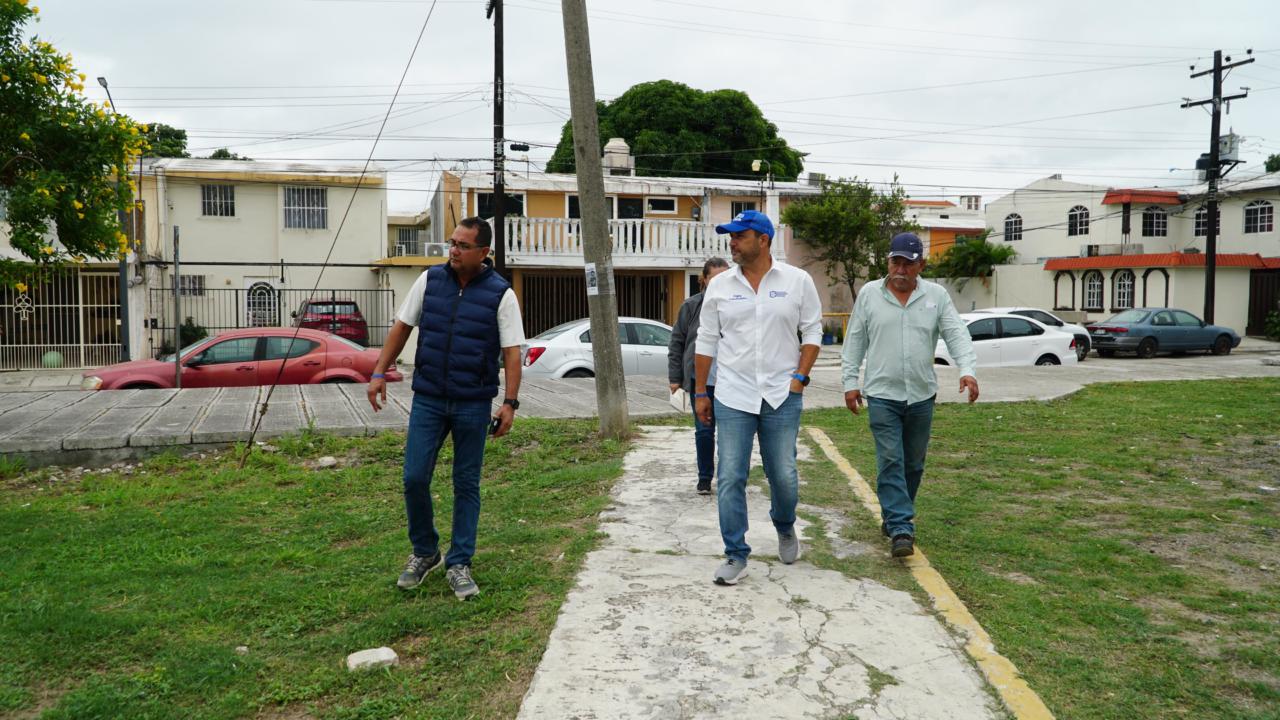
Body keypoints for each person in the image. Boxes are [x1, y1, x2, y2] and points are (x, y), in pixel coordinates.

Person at [367, 216, 525, 600]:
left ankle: (459, 562)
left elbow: (512, 352)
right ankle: (426, 552)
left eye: (462, 245)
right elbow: (402, 327)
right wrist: (379, 371)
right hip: (430, 398)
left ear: (483, 252)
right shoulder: (429, 280)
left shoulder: (501, 293)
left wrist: (509, 403)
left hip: (473, 401)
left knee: (466, 483)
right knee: (414, 478)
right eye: (452, 243)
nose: (453, 250)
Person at [694, 210, 822, 585]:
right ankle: (735, 553)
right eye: (730, 236)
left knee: (783, 475)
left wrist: (800, 378)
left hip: (782, 394)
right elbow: (706, 340)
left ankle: (784, 524)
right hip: (733, 394)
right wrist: (700, 391)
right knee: (730, 475)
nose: (732, 242)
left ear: (763, 240)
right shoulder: (720, 286)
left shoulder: (797, 281)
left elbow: (812, 331)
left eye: (740, 236)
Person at [841, 232, 978, 559]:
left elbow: (956, 334)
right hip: (881, 394)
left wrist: (967, 369)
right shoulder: (870, 294)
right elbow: (855, 340)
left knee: (913, 463)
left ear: (921, 266)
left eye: (908, 263)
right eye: (895, 262)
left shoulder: (936, 296)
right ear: (888, 261)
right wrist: (850, 382)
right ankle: (902, 526)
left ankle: (894, 514)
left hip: (921, 395)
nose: (900, 270)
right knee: (891, 458)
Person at [668, 256, 730, 496]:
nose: (721, 283)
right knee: (704, 431)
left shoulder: (737, 304)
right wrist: (675, 378)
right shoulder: (691, 306)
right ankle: (705, 478)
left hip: (731, 381)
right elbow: (677, 342)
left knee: (731, 433)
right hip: (701, 382)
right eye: (715, 278)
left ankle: (730, 478)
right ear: (703, 279)